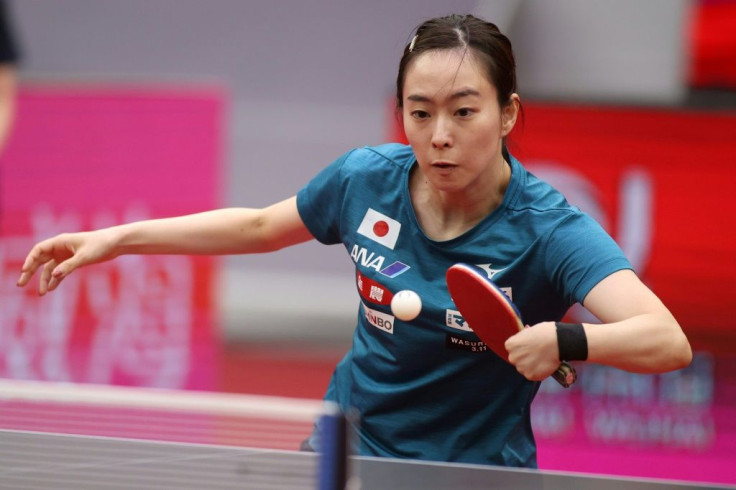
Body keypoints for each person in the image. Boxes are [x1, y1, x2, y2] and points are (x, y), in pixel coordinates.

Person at [16, 14, 692, 468]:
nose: (439, 136)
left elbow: (666, 339)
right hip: (350, 450)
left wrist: (567, 340)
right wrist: (114, 240)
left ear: (509, 113)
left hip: (476, 473)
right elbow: (257, 226)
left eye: (464, 111)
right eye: (420, 113)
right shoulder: (367, 179)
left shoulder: (549, 229)